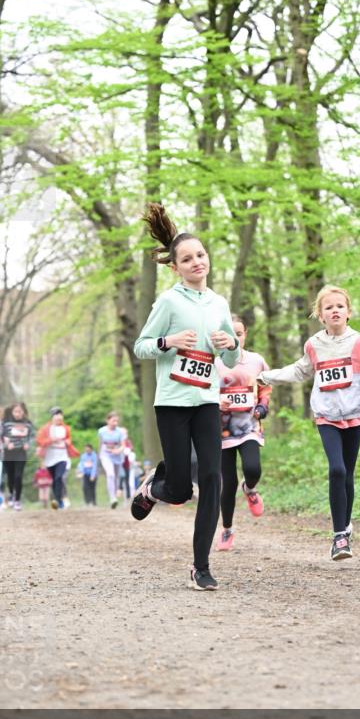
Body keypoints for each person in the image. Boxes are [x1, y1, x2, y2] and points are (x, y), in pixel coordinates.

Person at [131, 202, 239, 591]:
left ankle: (201, 566)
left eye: (201, 255)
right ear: (175, 267)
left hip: (207, 400)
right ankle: (154, 487)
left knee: (212, 478)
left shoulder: (219, 303)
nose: (197, 262)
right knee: (180, 490)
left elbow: (231, 357)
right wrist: (169, 341)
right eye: (188, 259)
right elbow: (141, 346)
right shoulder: (169, 302)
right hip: (173, 402)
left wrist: (231, 345)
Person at [258, 285, 360, 560]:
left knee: (347, 474)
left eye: (340, 306)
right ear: (320, 315)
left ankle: (345, 525)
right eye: (329, 307)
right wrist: (267, 376)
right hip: (326, 417)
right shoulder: (314, 345)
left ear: (349, 312)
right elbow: (300, 370)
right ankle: (339, 537)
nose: (335, 311)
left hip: (354, 417)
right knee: (336, 469)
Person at [215, 315, 272, 551]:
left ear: (245, 334)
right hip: (222, 430)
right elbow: (203, 392)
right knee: (227, 484)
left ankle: (249, 488)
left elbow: (266, 386)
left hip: (249, 426)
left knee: (252, 469)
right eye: (230, 334)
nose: (235, 338)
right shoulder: (214, 363)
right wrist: (217, 402)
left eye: (238, 333)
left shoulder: (256, 361)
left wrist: (263, 406)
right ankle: (227, 530)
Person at [35, 407, 79, 510]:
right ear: (52, 417)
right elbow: (40, 441)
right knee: (54, 479)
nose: (59, 417)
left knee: (59, 477)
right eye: (56, 414)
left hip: (62, 456)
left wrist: (68, 442)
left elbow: (68, 439)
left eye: (60, 414)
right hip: (50, 457)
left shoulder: (66, 428)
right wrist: (51, 440)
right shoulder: (46, 428)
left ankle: (59, 501)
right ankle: (57, 500)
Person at [3, 402, 34, 510]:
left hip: (21, 453)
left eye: (19, 411)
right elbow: (1, 437)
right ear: (12, 412)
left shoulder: (28, 424)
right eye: (15, 411)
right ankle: (12, 494)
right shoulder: (6, 424)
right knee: (10, 476)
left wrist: (28, 444)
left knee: (18, 476)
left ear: (23, 412)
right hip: (8, 453)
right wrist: (6, 444)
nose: (17, 414)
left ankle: (17, 500)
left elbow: (32, 436)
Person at [98, 412, 127, 509]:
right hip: (105, 455)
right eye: (113, 421)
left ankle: (114, 497)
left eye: (117, 421)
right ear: (107, 420)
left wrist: (118, 450)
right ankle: (112, 498)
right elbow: (100, 443)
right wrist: (99, 455)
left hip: (117, 456)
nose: (115, 423)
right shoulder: (101, 431)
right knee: (110, 474)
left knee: (115, 477)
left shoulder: (120, 432)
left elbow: (123, 445)